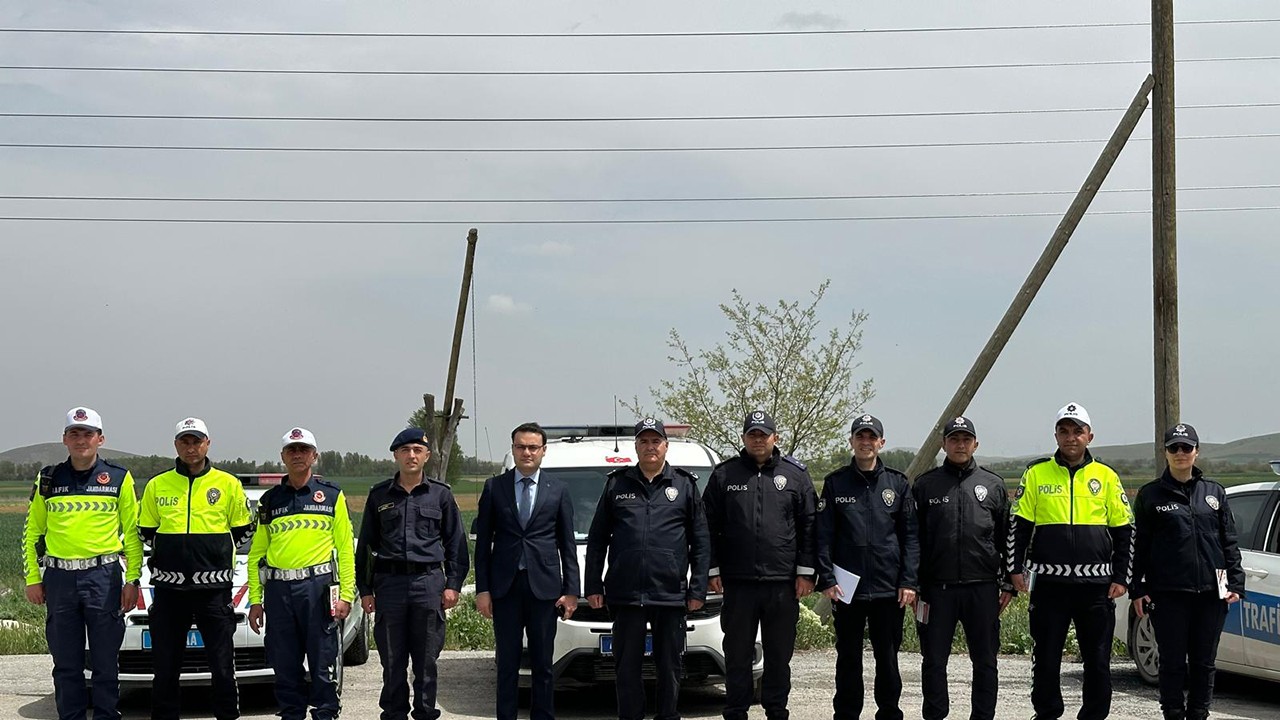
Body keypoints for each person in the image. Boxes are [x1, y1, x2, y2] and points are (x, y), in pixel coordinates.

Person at [1008, 402, 1134, 720]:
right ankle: (1047, 713)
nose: (1071, 437)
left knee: (1097, 659)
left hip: (1096, 587)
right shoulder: (1036, 474)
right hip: (1049, 585)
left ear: (1090, 436)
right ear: (1056, 435)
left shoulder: (1106, 477)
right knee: (1047, 659)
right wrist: (1014, 568)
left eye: (1078, 431)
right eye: (1064, 431)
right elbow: (1017, 526)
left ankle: (1093, 715)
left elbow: (1125, 532)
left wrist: (1122, 576)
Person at [21, 407, 143, 720]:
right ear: (64, 438)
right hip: (60, 580)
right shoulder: (48, 478)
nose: (81, 440)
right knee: (66, 664)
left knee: (104, 663)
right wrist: (33, 578)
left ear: (100, 439)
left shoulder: (118, 477)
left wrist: (132, 581)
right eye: (74, 433)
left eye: (88, 433)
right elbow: (33, 530)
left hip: (103, 577)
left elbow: (132, 534)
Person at [585, 418, 710, 720]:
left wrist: (697, 589)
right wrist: (592, 585)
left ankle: (667, 716)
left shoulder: (684, 484)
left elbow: (701, 542)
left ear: (666, 446)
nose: (650, 446)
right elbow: (598, 538)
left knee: (670, 666)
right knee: (626, 667)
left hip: (669, 595)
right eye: (644, 441)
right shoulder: (617, 483)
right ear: (636, 446)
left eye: (656, 441)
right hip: (626, 595)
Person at [702, 410, 818, 720]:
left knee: (779, 657)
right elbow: (707, 526)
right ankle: (736, 711)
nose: (758, 439)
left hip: (782, 585)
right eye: (752, 434)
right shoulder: (724, 475)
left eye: (763, 434)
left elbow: (810, 527)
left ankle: (776, 711)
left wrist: (806, 573)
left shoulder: (796, 475)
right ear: (743, 438)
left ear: (774, 438)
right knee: (738, 655)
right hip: (738, 584)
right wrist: (712, 570)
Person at [138, 417, 255, 720]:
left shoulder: (228, 484)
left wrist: (213, 558)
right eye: (185, 441)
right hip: (169, 590)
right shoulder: (156, 485)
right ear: (176, 445)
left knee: (222, 667)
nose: (191, 447)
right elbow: (146, 532)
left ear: (207, 443)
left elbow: (243, 531)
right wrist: (172, 558)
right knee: (165, 668)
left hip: (214, 591)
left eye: (196, 441)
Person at [1130, 423, 1245, 720]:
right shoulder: (1150, 495)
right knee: (1171, 662)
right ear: (1165, 453)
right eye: (1174, 448)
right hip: (1169, 594)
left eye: (1186, 447)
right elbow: (1139, 547)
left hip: (1211, 592)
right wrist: (1138, 588)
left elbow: (1228, 541)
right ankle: (1172, 712)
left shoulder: (1214, 493)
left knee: (1204, 662)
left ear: (1197, 451)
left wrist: (1236, 582)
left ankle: (1198, 713)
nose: (1180, 453)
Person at [356, 427, 469, 720]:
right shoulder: (379, 495)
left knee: (426, 660)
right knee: (392, 661)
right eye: (405, 450)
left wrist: (453, 585)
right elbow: (366, 546)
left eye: (418, 450)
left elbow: (456, 544)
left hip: (428, 584)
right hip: (389, 584)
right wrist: (365, 589)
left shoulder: (440, 495)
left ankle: (425, 712)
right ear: (396, 455)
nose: (411, 456)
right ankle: (394, 714)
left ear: (427, 456)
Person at [246, 427, 356, 720]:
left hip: (318, 589)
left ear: (314, 456)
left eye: (304, 450)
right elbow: (257, 555)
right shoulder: (270, 501)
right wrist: (256, 600)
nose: (298, 455)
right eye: (292, 450)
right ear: (282, 456)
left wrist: (346, 594)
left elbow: (345, 550)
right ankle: (291, 714)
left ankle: (326, 713)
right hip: (279, 592)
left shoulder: (331, 496)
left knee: (322, 662)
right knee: (285, 664)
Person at [473, 422, 580, 720]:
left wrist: (571, 591)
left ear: (543, 451)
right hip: (505, 589)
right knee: (507, 663)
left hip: (544, 589)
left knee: (543, 664)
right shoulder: (495, 487)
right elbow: (483, 545)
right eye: (521, 446)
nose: (527, 452)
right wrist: (483, 589)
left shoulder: (558, 490)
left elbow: (567, 544)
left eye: (533, 447)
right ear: (513, 449)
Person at [910, 416, 1015, 720]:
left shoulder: (993, 485)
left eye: (965, 439)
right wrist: (913, 584)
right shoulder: (926, 485)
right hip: (935, 590)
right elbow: (915, 538)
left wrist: (1008, 582)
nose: (959, 444)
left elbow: (1006, 536)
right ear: (943, 444)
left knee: (985, 661)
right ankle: (935, 715)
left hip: (982, 589)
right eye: (953, 439)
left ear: (975, 444)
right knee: (932, 661)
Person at [816, 414, 918, 720]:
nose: (865, 442)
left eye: (871, 437)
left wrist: (909, 581)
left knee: (887, 659)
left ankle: (889, 712)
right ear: (851, 441)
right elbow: (823, 536)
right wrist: (826, 577)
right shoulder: (835, 483)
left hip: (889, 590)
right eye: (860, 436)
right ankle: (846, 714)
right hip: (847, 589)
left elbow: (911, 537)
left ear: (881, 443)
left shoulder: (897, 484)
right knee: (848, 658)